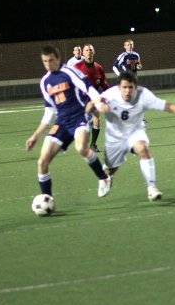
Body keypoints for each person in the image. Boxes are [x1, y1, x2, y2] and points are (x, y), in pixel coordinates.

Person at [86, 70, 175, 201]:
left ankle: (152, 188)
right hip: (115, 137)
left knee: (143, 149)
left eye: (130, 87)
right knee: (111, 169)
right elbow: (90, 108)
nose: (127, 91)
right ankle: (107, 176)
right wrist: (96, 107)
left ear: (135, 87)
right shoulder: (109, 95)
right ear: (118, 87)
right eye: (124, 87)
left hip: (135, 132)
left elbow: (167, 106)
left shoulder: (144, 95)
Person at [25, 45, 111, 207]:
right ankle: (47, 199)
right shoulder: (45, 82)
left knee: (81, 148)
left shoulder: (69, 72)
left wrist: (98, 101)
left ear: (58, 58)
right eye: (45, 61)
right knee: (42, 162)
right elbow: (49, 111)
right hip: (62, 122)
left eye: (51, 60)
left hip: (80, 115)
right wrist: (35, 135)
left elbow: (88, 88)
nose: (48, 64)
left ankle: (104, 178)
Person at [74, 43, 109, 152]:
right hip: (81, 99)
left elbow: (104, 83)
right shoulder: (77, 67)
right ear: (83, 53)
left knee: (97, 119)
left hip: (94, 98)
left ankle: (93, 144)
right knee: (82, 123)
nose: (88, 52)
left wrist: (110, 93)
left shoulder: (99, 67)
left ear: (93, 52)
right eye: (86, 50)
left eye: (90, 50)